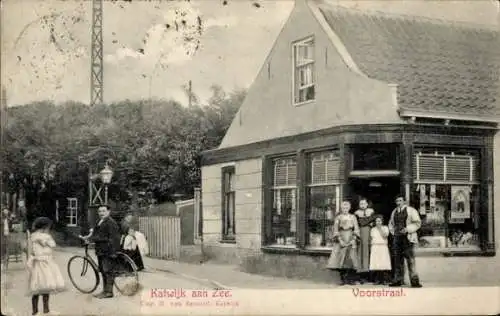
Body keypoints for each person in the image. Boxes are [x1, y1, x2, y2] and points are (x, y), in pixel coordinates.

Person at [26, 217, 65, 315]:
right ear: (45, 227)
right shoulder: (46, 236)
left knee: (37, 287)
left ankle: (35, 311)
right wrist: (46, 241)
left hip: (37, 263)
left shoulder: (32, 236)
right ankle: (45, 310)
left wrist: (30, 260)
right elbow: (53, 245)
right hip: (45, 263)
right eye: (48, 227)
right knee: (46, 286)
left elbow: (29, 250)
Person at [80, 205, 121, 298]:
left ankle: (109, 292)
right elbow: (94, 232)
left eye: (103, 211)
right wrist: (88, 238)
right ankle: (104, 291)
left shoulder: (111, 223)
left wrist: (113, 252)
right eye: (99, 211)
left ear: (108, 212)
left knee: (108, 271)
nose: (101, 213)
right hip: (100, 250)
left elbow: (114, 238)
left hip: (108, 250)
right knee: (103, 270)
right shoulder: (100, 221)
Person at [388, 196, 423, 288]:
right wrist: (393, 232)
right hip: (397, 238)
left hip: (408, 238)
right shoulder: (394, 212)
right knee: (397, 260)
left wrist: (407, 229)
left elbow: (417, 223)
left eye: (400, 200)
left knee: (410, 260)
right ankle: (397, 280)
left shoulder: (411, 211)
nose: (398, 202)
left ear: (404, 201)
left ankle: (414, 281)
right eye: (397, 201)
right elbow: (390, 224)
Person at [326, 201, 360, 285]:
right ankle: (343, 279)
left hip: (350, 237)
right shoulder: (338, 217)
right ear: (341, 208)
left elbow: (356, 228)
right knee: (341, 258)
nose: (345, 209)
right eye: (343, 208)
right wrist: (340, 240)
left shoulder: (353, 217)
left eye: (347, 208)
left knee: (351, 257)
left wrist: (354, 239)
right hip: (342, 237)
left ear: (349, 208)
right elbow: (336, 229)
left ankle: (350, 279)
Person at [354, 198, 376, 283]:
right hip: (361, 234)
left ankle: (371, 276)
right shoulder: (356, 213)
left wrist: (364, 222)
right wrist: (366, 222)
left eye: (364, 203)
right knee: (361, 253)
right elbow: (356, 224)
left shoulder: (371, 211)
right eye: (361, 204)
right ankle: (361, 275)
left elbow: (374, 222)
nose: (362, 205)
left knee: (370, 252)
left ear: (367, 204)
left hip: (370, 234)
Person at [369, 215, 391, 285]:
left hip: (383, 246)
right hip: (375, 246)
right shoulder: (373, 229)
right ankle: (378, 279)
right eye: (376, 221)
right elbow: (372, 238)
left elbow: (385, 236)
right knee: (377, 263)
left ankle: (384, 279)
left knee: (383, 262)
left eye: (379, 221)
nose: (378, 222)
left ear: (382, 221)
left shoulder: (385, 228)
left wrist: (380, 229)